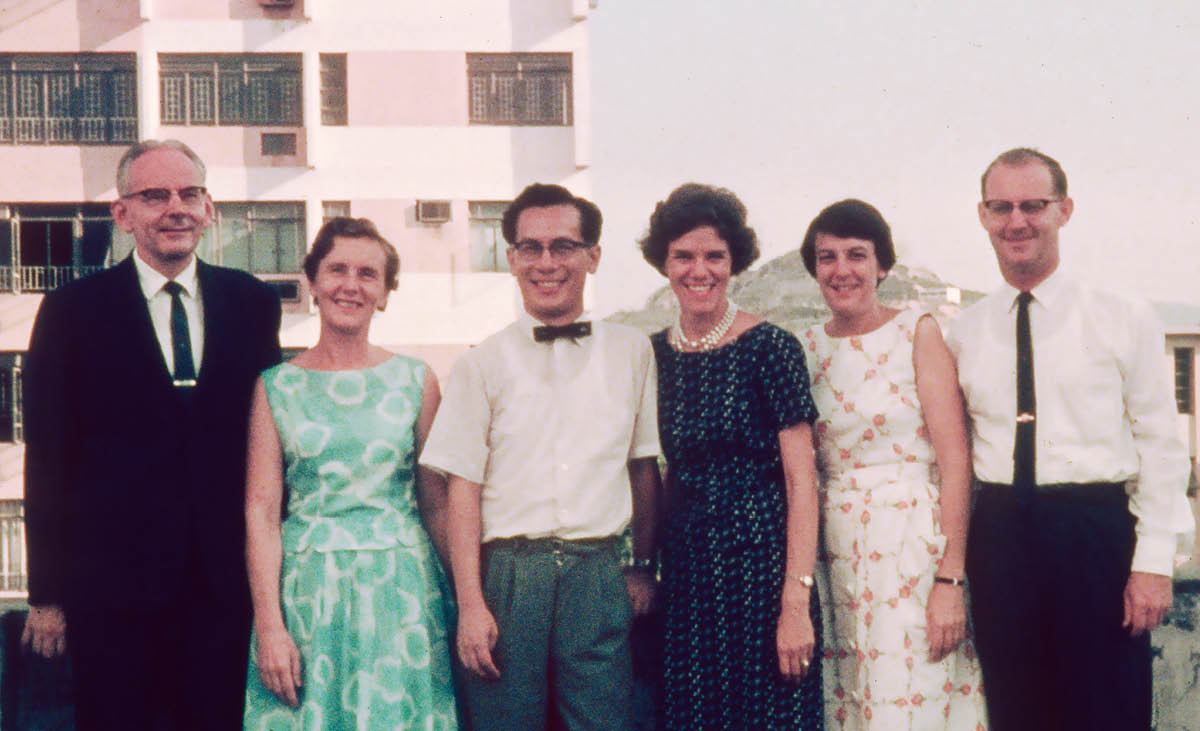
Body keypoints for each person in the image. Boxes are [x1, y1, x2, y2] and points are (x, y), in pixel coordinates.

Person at [20, 139, 282, 730]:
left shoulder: (252, 303)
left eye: (189, 194)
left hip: (224, 590)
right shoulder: (71, 311)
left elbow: (269, 448)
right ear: (123, 213)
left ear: (209, 208)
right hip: (111, 593)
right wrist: (46, 595)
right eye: (155, 195)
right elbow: (49, 460)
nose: (175, 209)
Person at [947, 147, 1194, 730]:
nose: (1017, 221)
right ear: (982, 215)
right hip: (1001, 541)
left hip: (1095, 537)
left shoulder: (1122, 315)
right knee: (1016, 712)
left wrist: (1154, 562)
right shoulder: (966, 332)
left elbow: (1161, 443)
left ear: (1065, 210)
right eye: (1001, 207)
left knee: (1107, 710)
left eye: (1033, 205)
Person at [420, 183, 661, 730]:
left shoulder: (632, 351)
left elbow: (643, 467)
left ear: (592, 256)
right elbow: (461, 489)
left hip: (597, 571)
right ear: (511, 259)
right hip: (509, 574)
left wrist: (642, 567)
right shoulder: (482, 363)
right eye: (531, 248)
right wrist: (471, 602)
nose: (546, 263)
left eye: (563, 246)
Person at [242, 217, 458, 729]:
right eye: (337, 269)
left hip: (402, 593)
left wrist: (468, 603)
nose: (351, 285)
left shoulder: (416, 380)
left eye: (368, 274)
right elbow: (262, 512)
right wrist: (270, 626)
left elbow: (437, 504)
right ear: (314, 283)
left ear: (384, 294)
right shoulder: (276, 386)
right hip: (309, 595)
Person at [797, 199, 988, 729]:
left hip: (913, 552)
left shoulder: (916, 332)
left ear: (882, 265)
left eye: (856, 255)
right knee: (853, 704)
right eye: (828, 257)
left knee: (913, 701)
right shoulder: (805, 347)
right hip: (837, 554)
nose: (842, 270)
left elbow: (956, 464)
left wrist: (950, 580)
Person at [639, 183, 823, 729]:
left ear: (734, 261)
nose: (700, 271)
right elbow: (659, 474)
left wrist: (795, 604)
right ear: (664, 263)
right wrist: (645, 569)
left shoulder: (772, 349)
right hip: (688, 581)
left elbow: (802, 482)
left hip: (763, 576)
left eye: (714, 256)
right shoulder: (652, 355)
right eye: (684, 256)